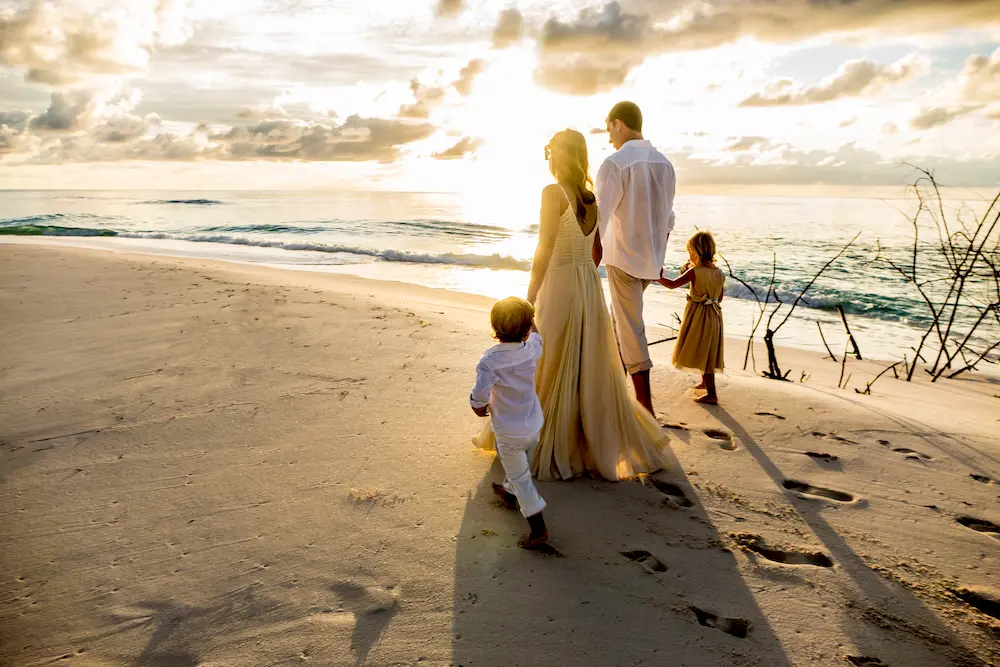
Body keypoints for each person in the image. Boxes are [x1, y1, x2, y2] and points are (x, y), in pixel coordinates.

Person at [474, 129, 669, 483]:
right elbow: (595, 250)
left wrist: (530, 297)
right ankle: (584, 439)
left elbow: (544, 248)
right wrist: (584, 279)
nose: (547, 158)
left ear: (558, 156)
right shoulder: (591, 198)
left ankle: (545, 437)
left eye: (549, 152)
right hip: (587, 286)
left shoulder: (553, 193)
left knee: (549, 358)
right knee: (582, 362)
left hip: (561, 283)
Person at [594, 101, 676, 415]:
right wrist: (659, 256)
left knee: (630, 327)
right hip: (650, 261)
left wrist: (591, 259)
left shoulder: (615, 163)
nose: (609, 137)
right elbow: (668, 218)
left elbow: (600, 218)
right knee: (621, 324)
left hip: (623, 258)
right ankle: (614, 393)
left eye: (609, 129)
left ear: (618, 123)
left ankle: (646, 410)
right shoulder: (665, 164)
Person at [469, 296, 549, 548]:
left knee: (521, 476)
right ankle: (509, 492)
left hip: (508, 429)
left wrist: (477, 405)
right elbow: (538, 337)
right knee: (522, 466)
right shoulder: (532, 349)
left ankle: (539, 529)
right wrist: (531, 325)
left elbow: (481, 393)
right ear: (526, 328)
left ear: (494, 327)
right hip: (534, 423)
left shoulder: (490, 361)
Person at [657, 231, 725, 405]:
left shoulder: (695, 272)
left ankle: (712, 394)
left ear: (696, 252)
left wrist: (657, 276)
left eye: (690, 253)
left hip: (699, 316)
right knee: (708, 349)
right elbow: (720, 297)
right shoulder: (719, 273)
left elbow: (672, 285)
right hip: (715, 316)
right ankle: (704, 382)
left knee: (702, 349)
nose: (689, 257)